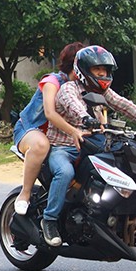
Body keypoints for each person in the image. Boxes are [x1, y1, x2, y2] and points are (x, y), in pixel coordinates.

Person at [41, 45, 136, 246]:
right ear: (83, 70)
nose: (102, 74)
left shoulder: (104, 92)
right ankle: (49, 221)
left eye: (106, 70)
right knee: (64, 173)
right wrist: (86, 119)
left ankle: (108, 216)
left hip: (93, 146)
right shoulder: (69, 88)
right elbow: (73, 106)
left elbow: (123, 104)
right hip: (63, 147)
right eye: (97, 70)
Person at [12, 42, 85, 215]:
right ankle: (25, 193)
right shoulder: (52, 81)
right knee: (41, 145)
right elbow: (50, 113)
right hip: (31, 129)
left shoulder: (85, 85)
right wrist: (74, 131)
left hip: (60, 138)